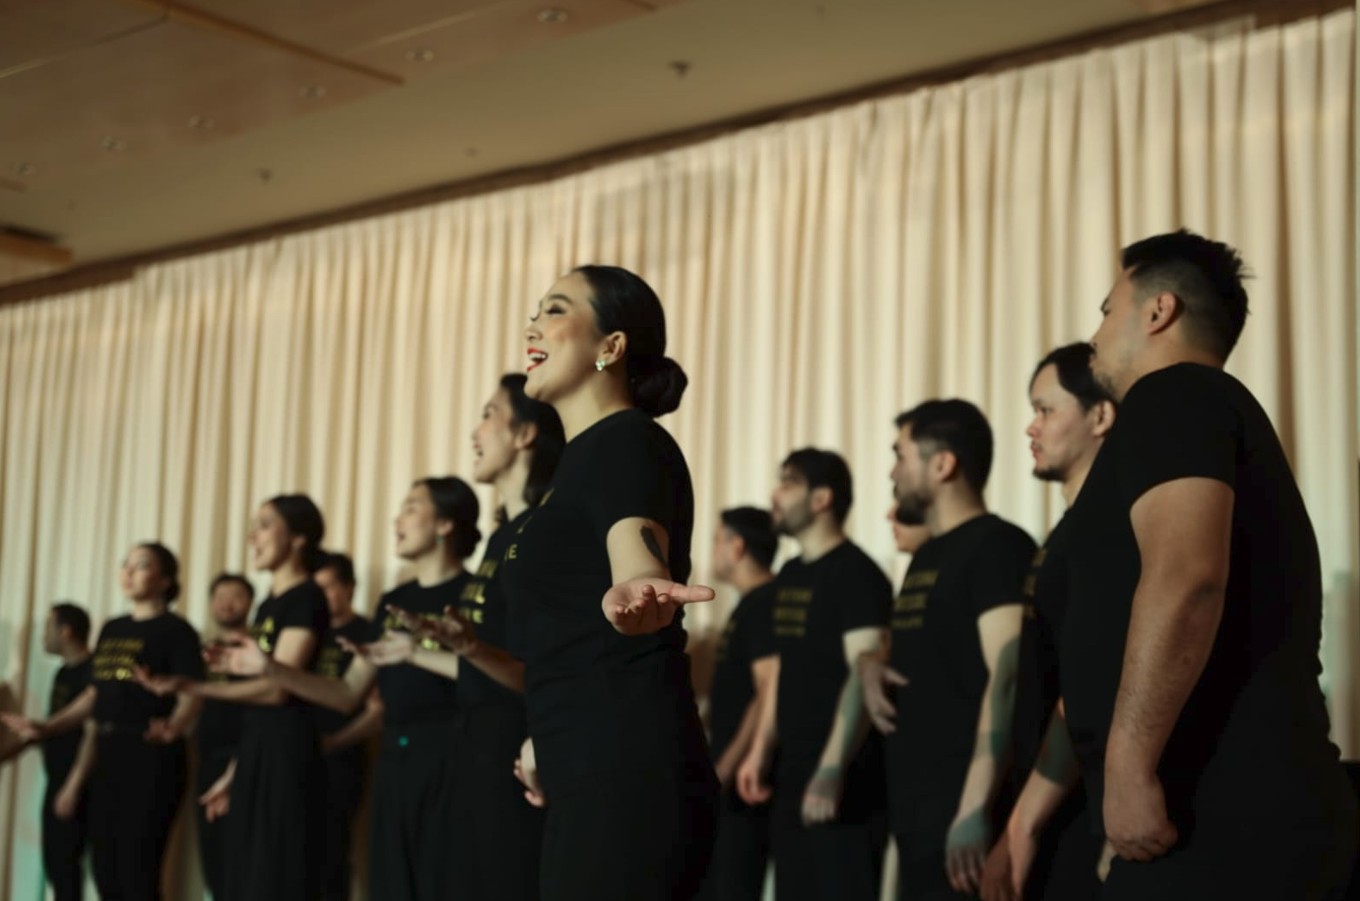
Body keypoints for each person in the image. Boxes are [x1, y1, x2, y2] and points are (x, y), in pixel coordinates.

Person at [1060, 230, 1357, 899]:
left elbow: (1187, 578)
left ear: (1158, 310)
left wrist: (1128, 768)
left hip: (1220, 817)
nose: (1096, 334)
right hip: (1222, 814)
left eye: (1107, 310)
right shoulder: (1196, 405)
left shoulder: (1174, 395)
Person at [500, 265, 717, 901]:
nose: (531, 327)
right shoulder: (578, 462)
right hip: (585, 760)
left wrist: (641, 589)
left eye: (554, 310)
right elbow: (568, 631)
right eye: (534, 313)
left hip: (624, 767)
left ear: (611, 346)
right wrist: (547, 739)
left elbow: (637, 549)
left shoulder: (627, 442)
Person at [219, 479, 480, 901]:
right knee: (392, 885)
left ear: (445, 524)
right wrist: (272, 669)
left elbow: (494, 674)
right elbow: (347, 692)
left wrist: (414, 653)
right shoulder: (395, 600)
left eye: (411, 507)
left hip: (456, 756)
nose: (397, 519)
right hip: (395, 759)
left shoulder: (473, 593)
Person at [861, 400, 1035, 900]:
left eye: (900, 455)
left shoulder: (998, 546)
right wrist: (872, 666)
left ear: (942, 464)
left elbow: (1009, 674)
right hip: (919, 812)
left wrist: (974, 807)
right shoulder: (926, 557)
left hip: (968, 817)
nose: (892, 472)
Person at [142, 495, 331, 901]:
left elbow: (278, 689)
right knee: (243, 879)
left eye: (265, 525)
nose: (253, 537)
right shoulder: (269, 605)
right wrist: (235, 772)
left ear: (298, 537)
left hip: (286, 755)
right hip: (257, 751)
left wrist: (192, 686)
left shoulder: (306, 597)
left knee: (275, 879)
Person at [977, 343, 1114, 901]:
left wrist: (1022, 825)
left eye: (1046, 410)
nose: (1030, 427)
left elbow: (1085, 687)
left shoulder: (1106, 530)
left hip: (1081, 814)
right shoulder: (1064, 535)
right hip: (1048, 808)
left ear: (1100, 416)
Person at [737, 449, 892, 901]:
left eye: (789, 483)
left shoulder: (857, 574)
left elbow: (863, 676)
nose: (775, 494)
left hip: (845, 786)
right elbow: (781, 670)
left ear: (822, 499)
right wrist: (760, 751)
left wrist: (831, 768)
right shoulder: (789, 573)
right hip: (791, 777)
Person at [7, 544, 203, 901]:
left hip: (150, 755)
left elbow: (191, 692)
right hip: (107, 756)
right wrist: (48, 726)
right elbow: (95, 695)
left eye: (141, 565)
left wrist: (174, 725)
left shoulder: (177, 631)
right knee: (105, 870)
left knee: (137, 873)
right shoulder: (113, 628)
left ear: (165, 580)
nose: (128, 572)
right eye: (125, 564)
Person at [697, 507, 779, 901]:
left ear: (737, 546)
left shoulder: (764, 604)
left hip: (741, 783)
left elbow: (766, 691)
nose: (712, 550)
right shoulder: (749, 605)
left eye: (717, 540)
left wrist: (726, 768)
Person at [0, 603, 93, 901]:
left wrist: (73, 785)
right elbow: (49, 728)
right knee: (57, 866)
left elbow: (92, 733)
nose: (43, 637)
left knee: (68, 868)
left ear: (66, 632)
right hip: (56, 779)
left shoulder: (92, 672)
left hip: (79, 783)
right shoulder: (63, 673)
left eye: (47, 628)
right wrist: (17, 746)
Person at [313, 552, 382, 901]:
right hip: (297, 758)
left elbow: (377, 712)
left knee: (332, 859)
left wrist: (334, 742)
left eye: (327, 587)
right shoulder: (308, 632)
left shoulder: (367, 633)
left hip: (341, 762)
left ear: (350, 588)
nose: (320, 597)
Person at [193, 573, 254, 900]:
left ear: (250, 603)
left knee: (243, 863)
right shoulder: (200, 653)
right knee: (213, 859)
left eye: (236, 597)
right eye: (220, 597)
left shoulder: (260, 652)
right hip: (206, 759)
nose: (227, 604)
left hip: (248, 758)